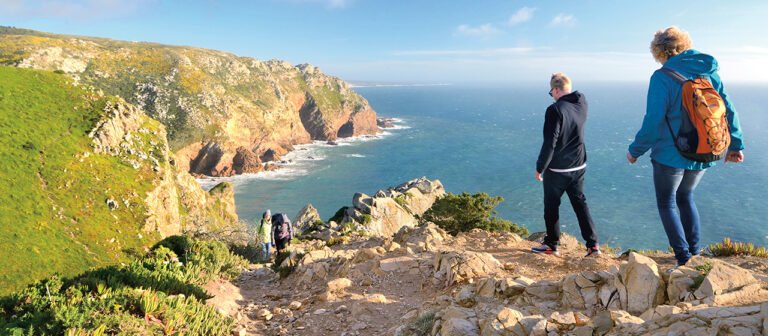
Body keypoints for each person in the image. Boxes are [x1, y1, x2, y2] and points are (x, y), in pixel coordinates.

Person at [627, 26, 744, 268]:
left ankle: (683, 259)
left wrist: (635, 150)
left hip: (671, 156)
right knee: (686, 196)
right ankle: (695, 253)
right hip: (706, 150)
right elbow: (728, 110)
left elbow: (653, 121)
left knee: (667, 202)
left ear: (659, 52)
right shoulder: (709, 73)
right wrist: (736, 145)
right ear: (684, 45)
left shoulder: (661, 77)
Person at [532, 73, 600, 257]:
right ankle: (593, 245)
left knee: (551, 205)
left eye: (551, 92)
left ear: (555, 90)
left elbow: (550, 142)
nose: (551, 95)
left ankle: (551, 244)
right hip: (578, 165)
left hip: (558, 169)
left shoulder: (554, 110)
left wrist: (540, 167)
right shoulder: (581, 102)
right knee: (580, 203)